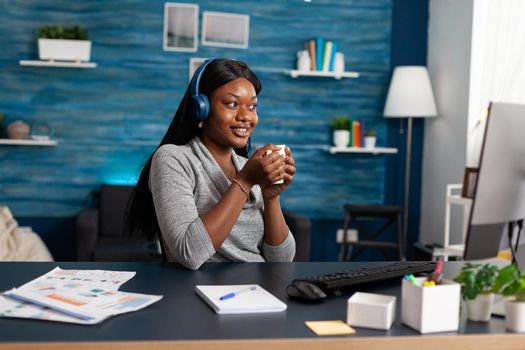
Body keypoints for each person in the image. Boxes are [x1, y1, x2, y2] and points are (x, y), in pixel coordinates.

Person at [126, 58, 296, 270]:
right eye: (232, 104)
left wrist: (271, 197)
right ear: (201, 108)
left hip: (257, 291)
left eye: (252, 106)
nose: (246, 117)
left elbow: (281, 261)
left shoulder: (248, 166)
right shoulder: (173, 159)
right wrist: (244, 181)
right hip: (199, 292)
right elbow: (189, 253)